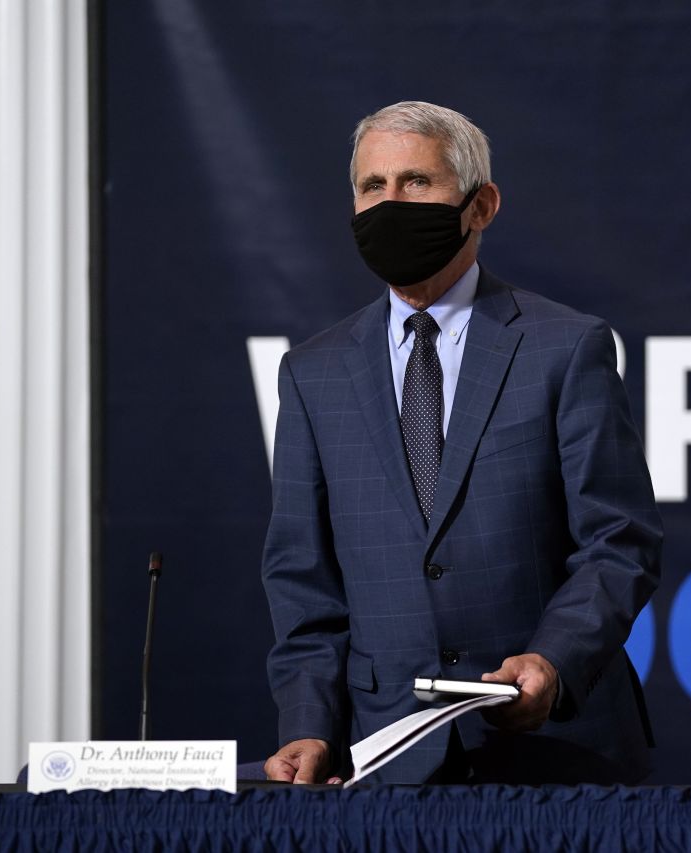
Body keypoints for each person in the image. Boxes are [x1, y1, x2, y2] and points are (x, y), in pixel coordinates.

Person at [261, 101, 663, 785]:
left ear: (481, 205)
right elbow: (305, 583)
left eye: (417, 182)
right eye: (372, 187)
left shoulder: (566, 347)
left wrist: (553, 662)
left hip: (556, 752)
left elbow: (618, 539)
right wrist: (307, 724)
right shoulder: (313, 372)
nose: (391, 203)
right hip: (384, 760)